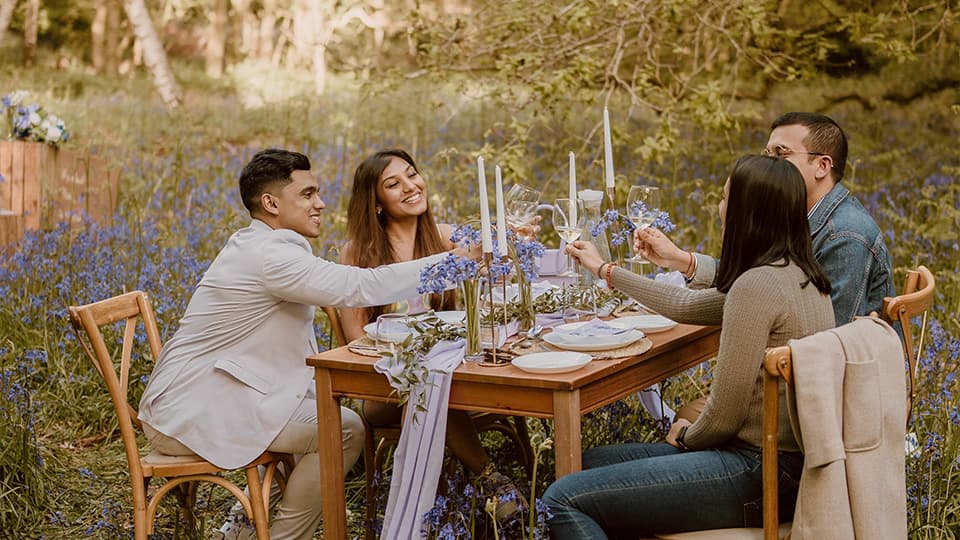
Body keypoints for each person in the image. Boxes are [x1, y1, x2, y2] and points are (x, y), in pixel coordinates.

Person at [137, 149, 478, 540]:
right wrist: (455, 264)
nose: (320, 203)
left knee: (314, 413)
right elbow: (359, 286)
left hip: (213, 395)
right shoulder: (271, 257)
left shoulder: (261, 246)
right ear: (271, 203)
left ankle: (243, 528)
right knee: (343, 428)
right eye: (308, 194)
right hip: (192, 410)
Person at [544, 155, 835, 538]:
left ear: (745, 214)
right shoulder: (798, 275)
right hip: (783, 467)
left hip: (758, 473)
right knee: (581, 464)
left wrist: (684, 435)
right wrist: (605, 269)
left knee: (560, 499)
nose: (719, 207)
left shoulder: (757, 287)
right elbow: (684, 305)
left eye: (725, 197)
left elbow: (725, 415)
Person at [338, 148, 524, 519]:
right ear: (376, 203)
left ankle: (448, 509)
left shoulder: (445, 237)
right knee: (427, 383)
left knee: (438, 380)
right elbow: (356, 337)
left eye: (412, 174)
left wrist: (509, 239)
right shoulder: (358, 253)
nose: (410, 186)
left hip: (450, 372)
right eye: (394, 184)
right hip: (385, 386)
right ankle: (489, 480)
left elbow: (493, 257)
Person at [638, 112, 894, 326]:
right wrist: (683, 260)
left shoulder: (846, 236)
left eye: (781, 154)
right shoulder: (798, 213)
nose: (769, 163)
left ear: (822, 166)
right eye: (767, 153)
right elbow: (759, 281)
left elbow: (831, 336)